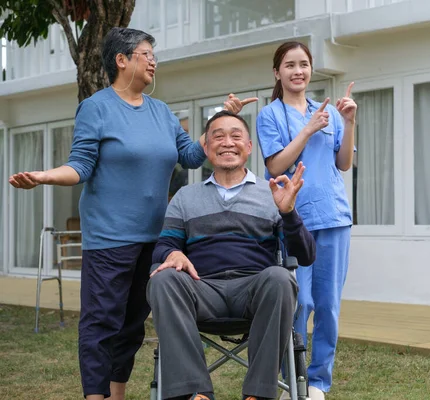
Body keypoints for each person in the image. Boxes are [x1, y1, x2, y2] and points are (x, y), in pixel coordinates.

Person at [7, 28, 244, 400]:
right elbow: (81, 166)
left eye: (153, 54)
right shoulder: (97, 107)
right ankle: (95, 396)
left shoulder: (162, 112)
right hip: (110, 239)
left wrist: (220, 122)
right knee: (101, 323)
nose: (153, 60)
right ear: (122, 60)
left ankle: (116, 393)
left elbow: (192, 157)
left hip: (155, 240)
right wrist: (44, 177)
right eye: (146, 53)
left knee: (132, 326)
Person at [147, 110, 316, 400]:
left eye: (236, 136)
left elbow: (306, 255)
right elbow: (163, 246)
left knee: (280, 277)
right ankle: (196, 394)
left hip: (254, 290)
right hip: (202, 289)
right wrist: (172, 252)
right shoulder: (186, 197)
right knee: (162, 280)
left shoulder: (272, 192)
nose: (227, 142)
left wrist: (288, 214)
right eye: (218, 136)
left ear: (248, 147)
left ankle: (258, 395)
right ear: (207, 148)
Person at [249, 41, 357, 400]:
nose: (298, 71)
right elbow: (276, 165)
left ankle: (317, 383)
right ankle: (289, 378)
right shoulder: (271, 115)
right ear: (277, 72)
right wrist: (307, 130)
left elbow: (344, 163)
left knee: (327, 306)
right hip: (296, 220)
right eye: (290, 65)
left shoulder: (328, 112)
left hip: (335, 218)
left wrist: (350, 121)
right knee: (299, 304)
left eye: (304, 65)